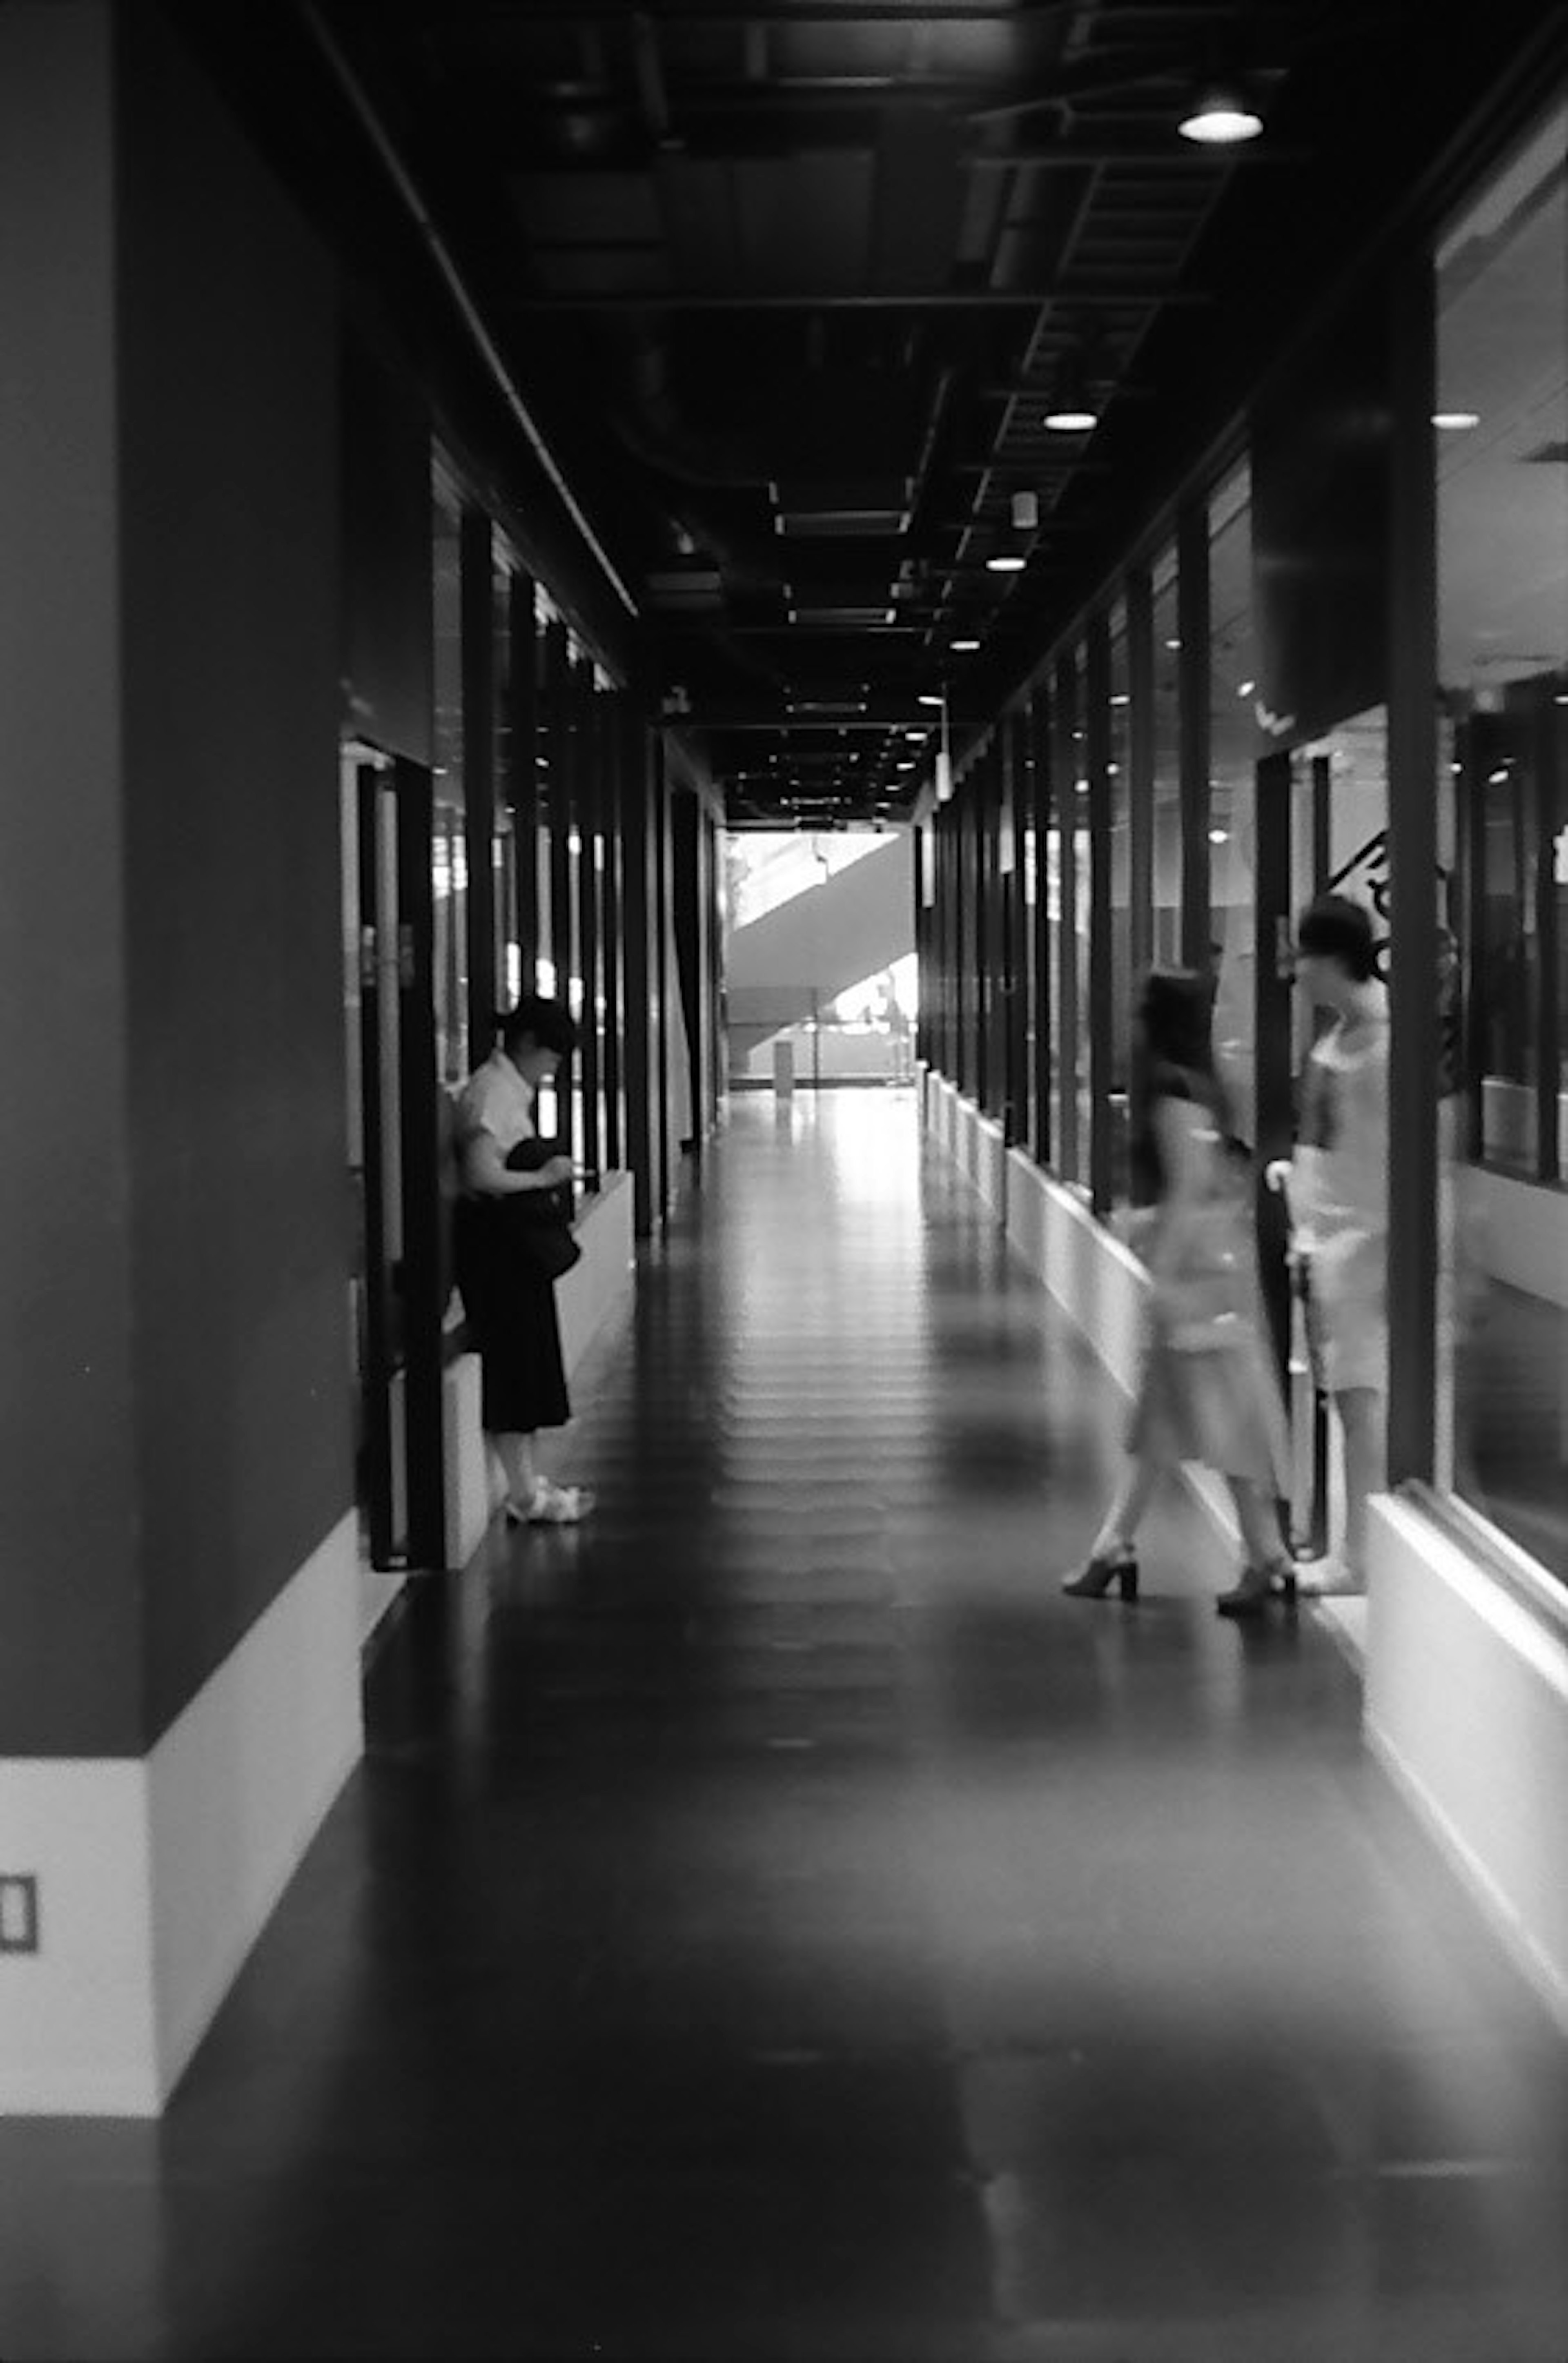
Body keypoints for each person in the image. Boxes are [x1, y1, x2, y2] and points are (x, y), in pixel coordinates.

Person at [1060, 969, 1293, 1618]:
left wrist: (1161, 1272)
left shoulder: (1172, 1092)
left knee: (1217, 1418)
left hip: (1194, 1280)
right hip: (1213, 1271)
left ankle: (1261, 1554)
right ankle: (1122, 1545)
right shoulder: (1204, 1088)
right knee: (1165, 1421)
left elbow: (1188, 1188)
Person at [1265, 895, 1388, 1595]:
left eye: (1302, 959)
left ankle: (1361, 1552)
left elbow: (1388, 1161)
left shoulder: (1378, 1044)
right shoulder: (1343, 1038)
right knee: (1346, 1397)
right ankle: (1353, 1544)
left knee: (1358, 1399)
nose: (1296, 974)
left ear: (1327, 958)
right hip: (1330, 1241)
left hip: (1360, 1245)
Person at [453, 998, 594, 1527]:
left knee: (525, 1362)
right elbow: (480, 1174)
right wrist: (544, 1178)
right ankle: (523, 1494)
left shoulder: (507, 1088)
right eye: (553, 1055)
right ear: (531, 1044)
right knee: (515, 1366)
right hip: (498, 1248)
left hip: (507, 1247)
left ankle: (527, 1483)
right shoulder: (492, 1092)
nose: (555, 1066)